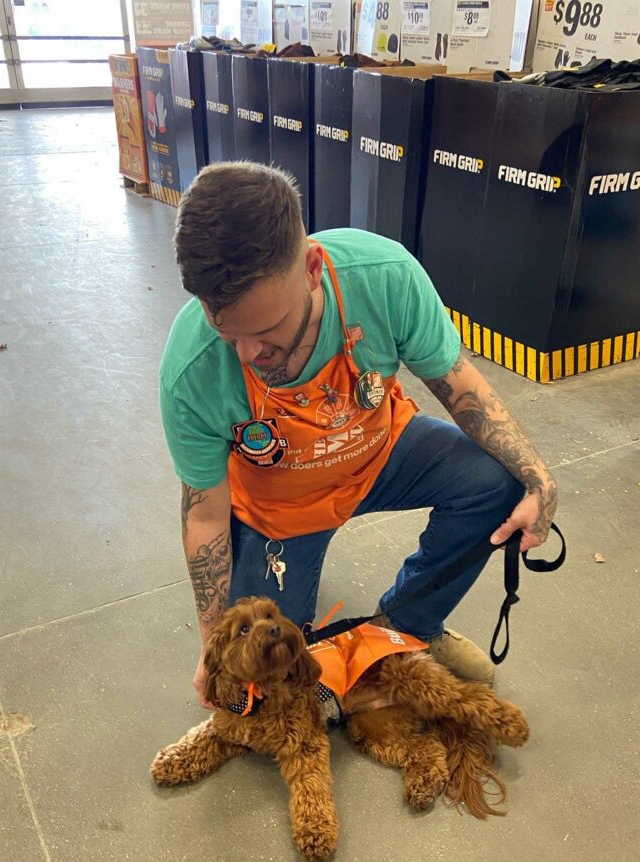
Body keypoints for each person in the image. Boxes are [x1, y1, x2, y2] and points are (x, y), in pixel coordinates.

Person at [160, 162, 558, 706]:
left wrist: (538, 478)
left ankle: (407, 629)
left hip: (376, 452)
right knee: (260, 689)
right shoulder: (193, 370)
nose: (248, 355)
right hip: (279, 507)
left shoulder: (384, 277)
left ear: (312, 268)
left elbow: (463, 389)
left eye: (267, 333)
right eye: (227, 332)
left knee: (497, 480)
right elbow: (205, 516)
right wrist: (213, 649)